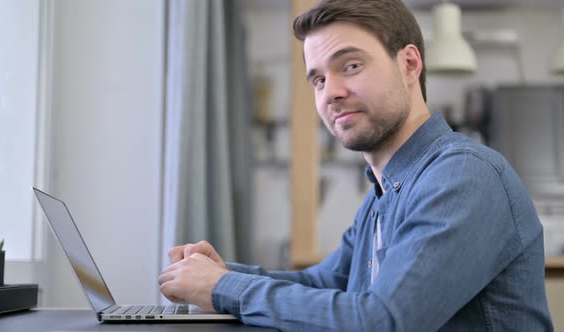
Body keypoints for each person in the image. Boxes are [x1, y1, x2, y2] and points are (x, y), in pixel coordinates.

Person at [158, 0, 554, 330]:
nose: (331, 93)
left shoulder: (464, 175)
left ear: (410, 64)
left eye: (350, 66)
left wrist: (224, 288)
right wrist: (225, 274)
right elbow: (325, 281)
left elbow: (382, 321)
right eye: (317, 80)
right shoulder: (383, 196)